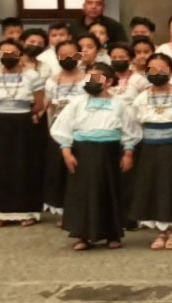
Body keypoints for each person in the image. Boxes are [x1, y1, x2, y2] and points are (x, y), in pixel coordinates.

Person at [50, 63, 139, 250]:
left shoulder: (119, 104)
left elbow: (130, 130)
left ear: (108, 81)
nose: (90, 81)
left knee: (110, 191)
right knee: (83, 193)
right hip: (83, 151)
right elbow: (63, 127)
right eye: (88, 77)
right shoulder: (77, 103)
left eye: (96, 78)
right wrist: (66, 151)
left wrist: (128, 152)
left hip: (110, 152)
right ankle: (83, 235)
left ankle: (112, 234)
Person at [128, 54, 172, 249]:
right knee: (154, 187)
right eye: (152, 69)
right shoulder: (141, 98)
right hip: (150, 148)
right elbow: (136, 125)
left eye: (162, 68)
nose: (157, 73)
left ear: (171, 70)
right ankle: (160, 231)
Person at [0, 38, 47, 228]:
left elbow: (39, 103)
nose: (8, 56)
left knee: (23, 166)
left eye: (12, 53)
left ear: (20, 55)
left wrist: (21, 112)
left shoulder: (32, 75)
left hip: (23, 123)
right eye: (4, 53)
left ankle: (26, 213)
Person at [42, 40, 85, 219]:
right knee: (59, 172)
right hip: (59, 130)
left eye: (72, 54)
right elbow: (50, 107)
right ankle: (64, 211)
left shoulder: (89, 78)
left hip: (82, 131)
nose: (68, 58)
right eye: (63, 55)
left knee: (79, 172)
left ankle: (80, 211)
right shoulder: (51, 81)